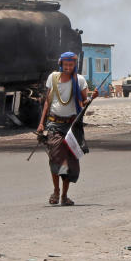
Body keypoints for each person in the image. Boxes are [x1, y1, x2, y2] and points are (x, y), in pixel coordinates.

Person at [36, 52, 96, 206]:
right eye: (66, 65)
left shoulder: (80, 80)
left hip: (72, 126)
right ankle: (56, 191)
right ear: (61, 64)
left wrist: (92, 98)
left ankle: (64, 196)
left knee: (69, 162)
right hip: (54, 124)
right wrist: (41, 123)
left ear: (74, 65)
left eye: (71, 65)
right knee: (56, 158)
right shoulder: (53, 78)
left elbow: (83, 102)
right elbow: (48, 102)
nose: (68, 67)